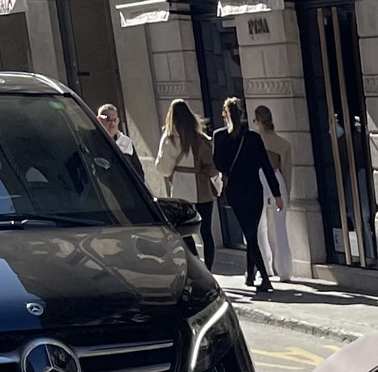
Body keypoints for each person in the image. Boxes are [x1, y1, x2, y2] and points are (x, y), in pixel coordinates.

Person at [212, 98, 283, 295]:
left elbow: (219, 164)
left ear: (225, 114)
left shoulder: (219, 137)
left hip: (235, 189)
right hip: (254, 189)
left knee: (249, 233)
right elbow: (266, 166)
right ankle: (251, 274)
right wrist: (276, 193)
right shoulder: (253, 137)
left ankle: (264, 278)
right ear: (242, 114)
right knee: (250, 231)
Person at [154, 100, 219, 265]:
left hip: (181, 189)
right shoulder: (202, 139)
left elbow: (164, 168)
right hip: (203, 188)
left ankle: (195, 261)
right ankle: (209, 268)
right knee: (206, 232)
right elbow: (211, 164)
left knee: (184, 231)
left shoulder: (170, 139)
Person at [251, 105, 293, 287]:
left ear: (258, 121)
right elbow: (287, 171)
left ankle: (266, 268)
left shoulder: (253, 141)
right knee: (280, 228)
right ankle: (284, 270)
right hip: (277, 178)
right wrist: (286, 193)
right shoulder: (282, 144)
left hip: (258, 180)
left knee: (260, 227)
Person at [95, 104, 145, 189]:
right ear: (99, 120)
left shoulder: (126, 142)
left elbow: (138, 172)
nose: (112, 123)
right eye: (108, 119)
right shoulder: (91, 140)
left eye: (115, 120)